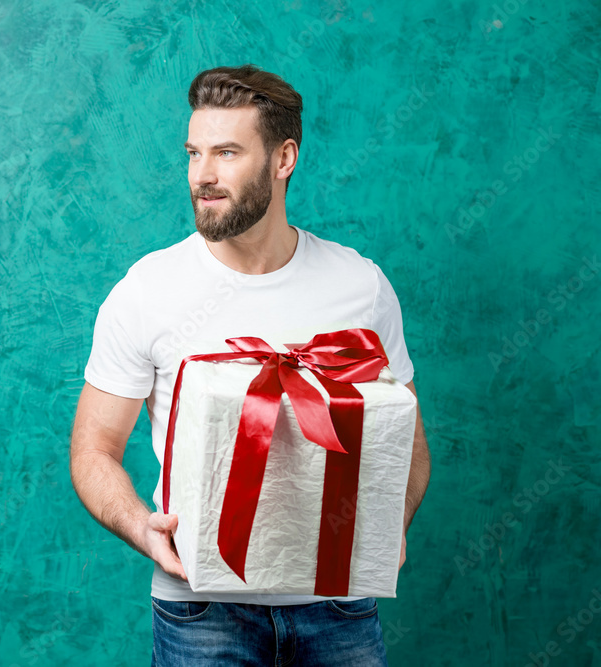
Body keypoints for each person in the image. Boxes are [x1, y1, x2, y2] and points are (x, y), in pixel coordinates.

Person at [69, 64, 431, 666]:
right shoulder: (146, 291)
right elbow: (93, 450)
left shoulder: (360, 286)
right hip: (200, 610)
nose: (202, 177)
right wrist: (142, 528)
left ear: (283, 159)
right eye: (193, 153)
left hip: (338, 606)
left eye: (227, 152)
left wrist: (391, 522)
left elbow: (408, 445)